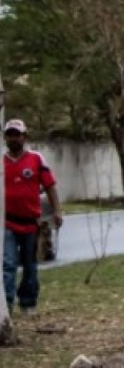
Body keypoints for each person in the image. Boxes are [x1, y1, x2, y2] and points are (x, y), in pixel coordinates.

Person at [3, 120, 61, 315]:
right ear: (5, 138)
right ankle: (6, 305)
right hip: (7, 223)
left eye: (17, 135)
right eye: (10, 135)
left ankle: (27, 303)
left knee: (30, 265)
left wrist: (57, 211)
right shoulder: (1, 161)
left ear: (24, 137)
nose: (14, 138)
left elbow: (50, 186)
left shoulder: (36, 159)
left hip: (30, 223)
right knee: (8, 264)